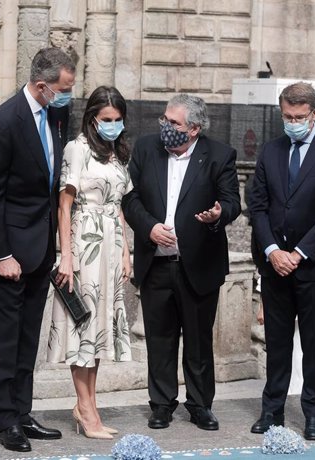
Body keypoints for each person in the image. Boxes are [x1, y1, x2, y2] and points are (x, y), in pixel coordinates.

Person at [122, 94, 241, 432]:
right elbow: (129, 198)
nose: (165, 127)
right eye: (164, 119)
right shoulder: (146, 149)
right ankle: (161, 405)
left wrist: (219, 214)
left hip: (199, 265)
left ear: (194, 129)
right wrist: (149, 227)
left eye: (173, 123)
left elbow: (232, 201)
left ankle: (200, 405)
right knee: (159, 340)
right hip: (156, 263)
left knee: (199, 342)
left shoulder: (218, 155)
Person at [0, 47, 75, 453]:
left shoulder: (55, 114)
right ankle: (5, 419)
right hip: (10, 253)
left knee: (27, 338)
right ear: (41, 86)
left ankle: (23, 410)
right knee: (4, 338)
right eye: (64, 88)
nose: (68, 94)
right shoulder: (4, 122)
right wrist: (1, 254)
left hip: (40, 249)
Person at [248, 82, 315, 441]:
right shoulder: (270, 151)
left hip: (314, 267)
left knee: (313, 344)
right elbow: (257, 206)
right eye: (286, 116)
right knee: (276, 342)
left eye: (298, 117)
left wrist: (298, 253)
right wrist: (273, 251)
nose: (291, 122)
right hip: (274, 263)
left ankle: (312, 414)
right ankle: (271, 410)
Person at [47, 86, 133, 440]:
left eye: (117, 120)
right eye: (106, 120)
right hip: (85, 241)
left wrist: (127, 250)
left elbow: (120, 205)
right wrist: (66, 256)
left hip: (111, 242)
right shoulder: (76, 148)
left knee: (98, 332)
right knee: (83, 328)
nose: (112, 126)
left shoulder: (116, 152)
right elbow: (64, 205)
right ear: (92, 118)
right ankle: (84, 408)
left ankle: (90, 406)